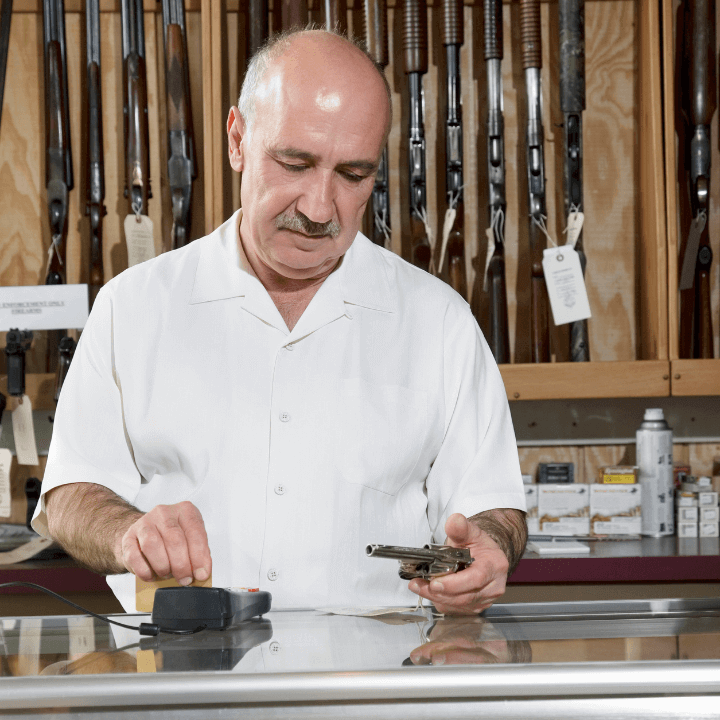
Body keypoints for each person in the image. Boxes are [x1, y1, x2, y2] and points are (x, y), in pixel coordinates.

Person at [33, 29, 527, 615]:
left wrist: (490, 548)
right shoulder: (133, 307)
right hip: (180, 691)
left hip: (375, 690)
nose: (320, 209)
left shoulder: (439, 321)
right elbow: (70, 493)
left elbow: (493, 505)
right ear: (238, 139)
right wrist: (126, 532)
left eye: (353, 175)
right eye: (295, 163)